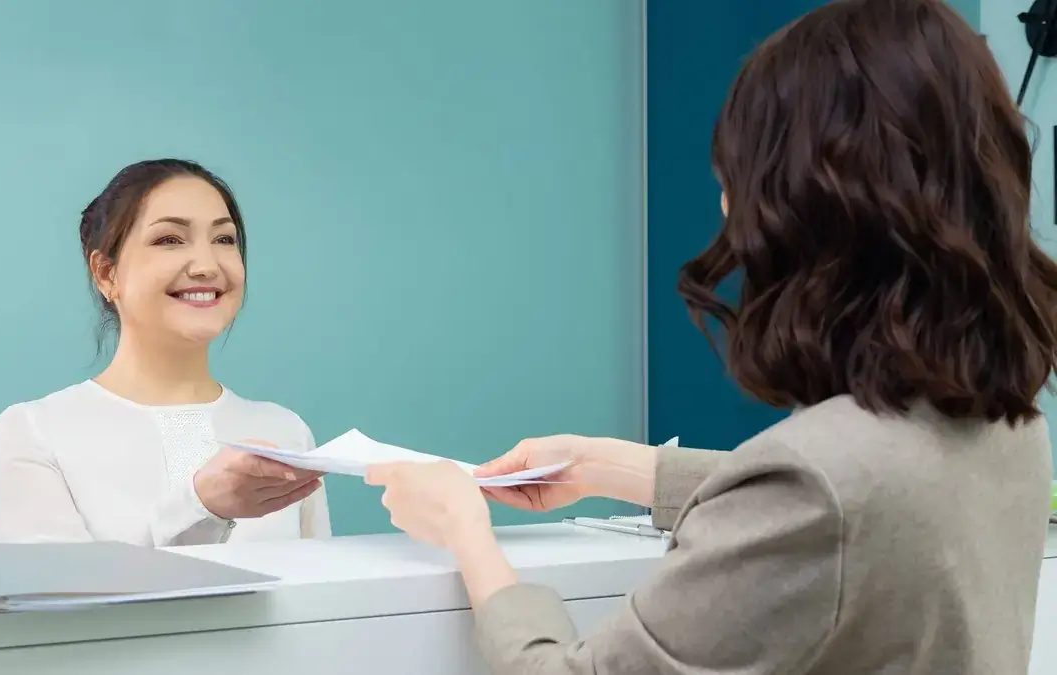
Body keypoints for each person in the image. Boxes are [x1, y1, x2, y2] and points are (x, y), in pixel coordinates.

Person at [365, 1, 1056, 673]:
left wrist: (466, 534)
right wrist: (621, 468)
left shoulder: (820, 483)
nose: (728, 207)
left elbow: (825, 501)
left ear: (810, 203)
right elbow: (864, 504)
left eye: (741, 177)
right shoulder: (1009, 429)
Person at [0, 159, 329, 546]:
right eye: (169, 239)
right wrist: (203, 507)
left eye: (224, 239)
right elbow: (61, 599)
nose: (206, 266)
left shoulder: (285, 433)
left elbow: (321, 600)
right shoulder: (34, 432)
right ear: (105, 273)